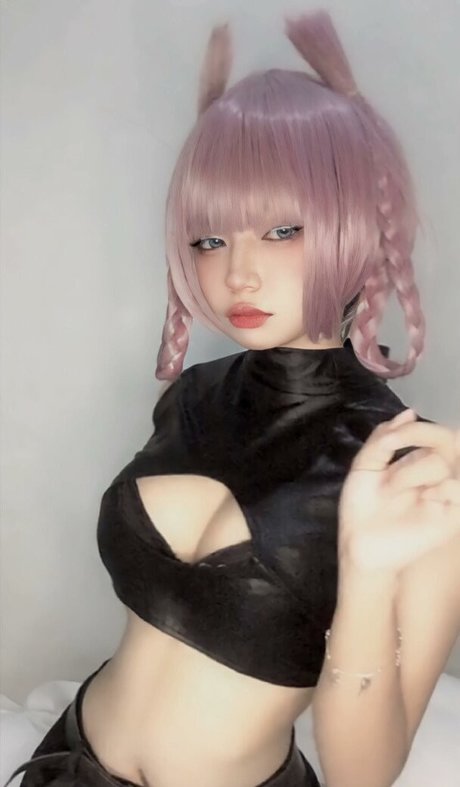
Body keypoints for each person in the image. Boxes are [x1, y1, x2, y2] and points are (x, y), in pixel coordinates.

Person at [5, 8, 460, 787]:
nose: (237, 272)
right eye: (210, 239)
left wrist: (365, 569)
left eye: (282, 230)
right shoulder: (193, 396)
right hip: (66, 760)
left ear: (356, 222)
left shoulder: (412, 473)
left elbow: (365, 774)